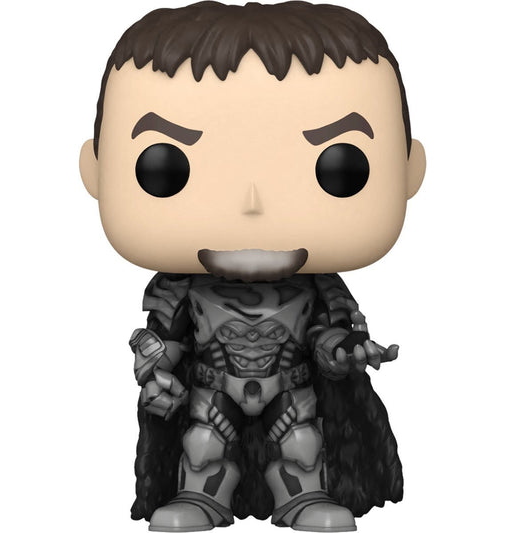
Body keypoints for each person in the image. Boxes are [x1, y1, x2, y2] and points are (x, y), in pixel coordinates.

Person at [79, 2, 426, 531]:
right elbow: (166, 342)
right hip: (213, 384)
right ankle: (199, 499)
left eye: (341, 168)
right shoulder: (179, 289)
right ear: (96, 170)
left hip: (290, 382)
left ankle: (304, 499)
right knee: (202, 445)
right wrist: (154, 368)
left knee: (302, 444)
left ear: (408, 169)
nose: (252, 203)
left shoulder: (320, 289)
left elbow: (327, 336)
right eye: (165, 168)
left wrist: (346, 352)